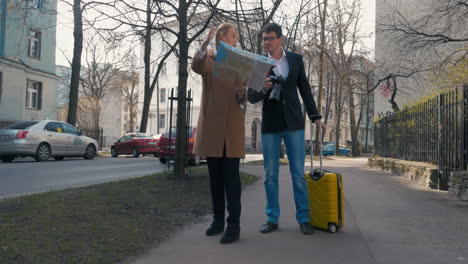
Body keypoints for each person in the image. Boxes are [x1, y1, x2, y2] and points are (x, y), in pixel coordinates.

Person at [248, 23, 327, 235]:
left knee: (298, 174)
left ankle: (304, 218)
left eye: (270, 38)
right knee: (270, 174)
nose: (266, 43)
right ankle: (272, 218)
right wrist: (261, 88)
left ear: (280, 39)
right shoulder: (260, 63)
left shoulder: (295, 59)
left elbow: (305, 89)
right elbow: (251, 96)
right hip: (270, 125)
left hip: (293, 123)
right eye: (264, 39)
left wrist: (316, 116)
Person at [191, 23, 247, 244]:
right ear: (221, 37)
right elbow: (197, 66)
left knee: (231, 180)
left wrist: (242, 92)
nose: (235, 39)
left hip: (231, 128)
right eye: (233, 36)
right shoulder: (210, 60)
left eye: (236, 37)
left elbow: (242, 100)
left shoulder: (238, 65)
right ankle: (217, 221)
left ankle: (234, 226)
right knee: (215, 179)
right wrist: (204, 44)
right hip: (213, 127)